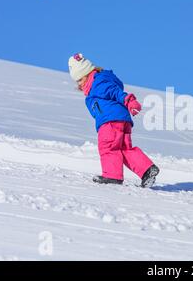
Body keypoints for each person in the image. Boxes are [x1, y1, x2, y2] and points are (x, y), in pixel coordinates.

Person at [68, 53, 159, 187]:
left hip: (110, 122)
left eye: (80, 80)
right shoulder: (99, 81)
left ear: (87, 74)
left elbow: (115, 92)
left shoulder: (97, 83)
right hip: (122, 120)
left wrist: (129, 101)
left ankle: (112, 176)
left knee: (108, 147)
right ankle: (147, 170)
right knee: (124, 149)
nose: (80, 85)